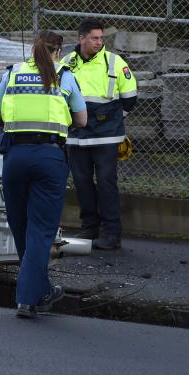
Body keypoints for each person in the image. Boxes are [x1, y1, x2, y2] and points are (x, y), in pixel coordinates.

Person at [0, 31, 87, 318]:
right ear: (59, 52)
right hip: (49, 158)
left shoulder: (13, 74)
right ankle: (27, 299)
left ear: (33, 49)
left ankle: (41, 290)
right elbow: (82, 119)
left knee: (21, 227)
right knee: (41, 231)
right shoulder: (65, 76)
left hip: (15, 158)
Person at [61, 19, 138, 250]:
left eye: (101, 38)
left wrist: (112, 120)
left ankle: (111, 232)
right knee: (82, 182)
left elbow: (130, 98)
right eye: (94, 38)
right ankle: (89, 227)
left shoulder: (114, 62)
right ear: (81, 38)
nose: (99, 42)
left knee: (106, 182)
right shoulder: (66, 63)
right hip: (76, 135)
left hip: (106, 136)